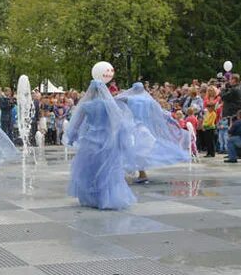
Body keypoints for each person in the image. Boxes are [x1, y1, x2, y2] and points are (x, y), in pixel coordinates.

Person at [65, 80, 152, 210]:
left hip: (90, 140)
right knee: (107, 170)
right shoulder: (108, 104)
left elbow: (76, 124)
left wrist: (72, 137)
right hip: (106, 140)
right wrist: (120, 138)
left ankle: (91, 198)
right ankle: (105, 197)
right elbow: (119, 122)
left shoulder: (86, 106)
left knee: (90, 170)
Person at [115, 82, 190, 183]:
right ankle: (140, 173)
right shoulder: (149, 101)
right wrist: (172, 121)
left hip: (133, 127)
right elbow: (161, 112)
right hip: (145, 129)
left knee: (131, 150)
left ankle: (139, 174)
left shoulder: (129, 99)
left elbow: (115, 100)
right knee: (141, 151)